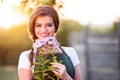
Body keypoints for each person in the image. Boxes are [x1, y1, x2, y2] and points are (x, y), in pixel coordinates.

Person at [18, 5, 82, 80]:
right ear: (33, 28)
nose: (43, 30)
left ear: (55, 27)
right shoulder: (26, 56)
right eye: (38, 25)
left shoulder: (70, 52)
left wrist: (66, 77)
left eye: (49, 25)